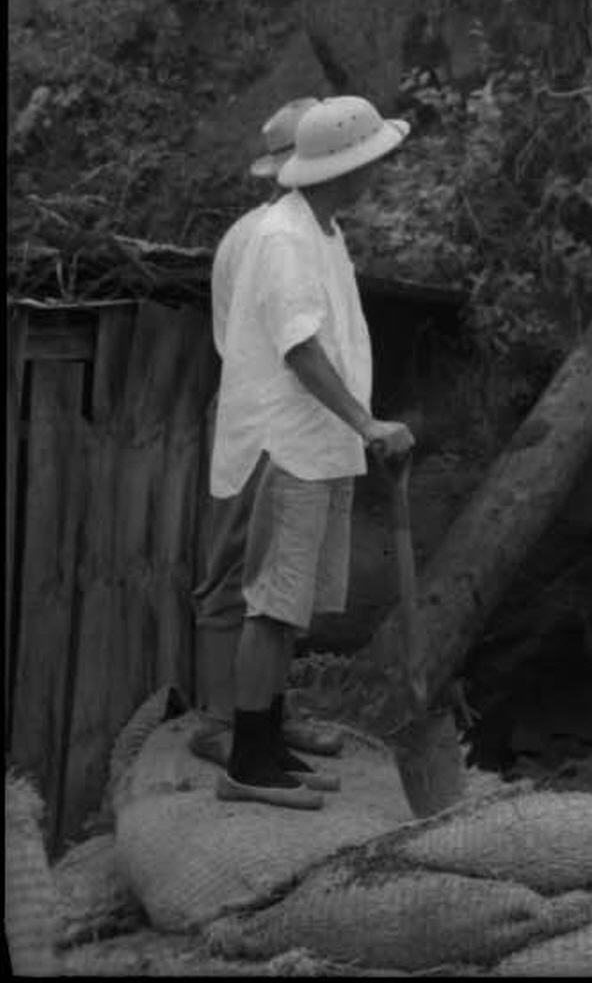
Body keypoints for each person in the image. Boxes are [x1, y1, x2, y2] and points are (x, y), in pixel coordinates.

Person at [208, 95, 415, 809]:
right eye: (373, 161)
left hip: (322, 444)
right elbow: (299, 349)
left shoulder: (324, 231)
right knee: (270, 604)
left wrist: (359, 427)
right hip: (293, 442)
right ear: (343, 167)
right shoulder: (284, 238)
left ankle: (267, 746)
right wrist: (368, 422)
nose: (380, 172)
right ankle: (247, 758)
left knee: (290, 608)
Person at [191, 98, 344, 778]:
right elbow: (279, 343)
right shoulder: (263, 235)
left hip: (291, 411)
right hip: (259, 409)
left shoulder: (316, 230)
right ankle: (222, 721)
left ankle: (267, 714)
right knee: (238, 572)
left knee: (281, 580)